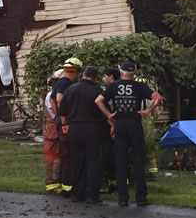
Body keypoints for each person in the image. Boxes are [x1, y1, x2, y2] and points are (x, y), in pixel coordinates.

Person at [95, 60, 162, 207]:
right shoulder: (139, 86)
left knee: (120, 160)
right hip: (135, 124)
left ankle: (123, 197)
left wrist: (109, 115)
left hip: (120, 124)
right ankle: (141, 197)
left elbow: (98, 101)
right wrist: (148, 110)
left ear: (121, 72)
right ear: (133, 73)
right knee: (138, 159)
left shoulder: (114, 86)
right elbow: (157, 98)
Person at [59, 66, 111, 203]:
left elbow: (62, 111)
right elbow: (105, 111)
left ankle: (77, 193)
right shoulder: (97, 91)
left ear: (83, 75)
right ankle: (92, 195)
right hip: (93, 128)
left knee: (77, 161)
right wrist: (112, 126)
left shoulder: (70, 89)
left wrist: (64, 125)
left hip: (74, 129)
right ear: (95, 78)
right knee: (93, 161)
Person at [53, 57, 82, 196]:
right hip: (67, 123)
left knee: (68, 154)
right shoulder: (64, 83)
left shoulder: (60, 82)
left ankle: (68, 186)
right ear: (74, 71)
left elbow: (52, 100)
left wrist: (57, 115)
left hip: (64, 121)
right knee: (69, 155)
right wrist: (64, 119)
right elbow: (59, 99)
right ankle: (68, 188)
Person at [43, 69, 64, 193]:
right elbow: (56, 114)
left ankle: (58, 182)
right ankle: (52, 184)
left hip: (56, 128)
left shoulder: (54, 94)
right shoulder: (51, 96)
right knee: (53, 158)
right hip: (53, 129)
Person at [100, 67, 120, 193]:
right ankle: (118, 182)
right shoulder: (121, 89)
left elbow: (105, 108)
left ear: (111, 76)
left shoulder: (109, 91)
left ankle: (113, 183)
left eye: (105, 76)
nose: (103, 79)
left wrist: (112, 125)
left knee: (109, 156)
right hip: (121, 126)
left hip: (111, 128)